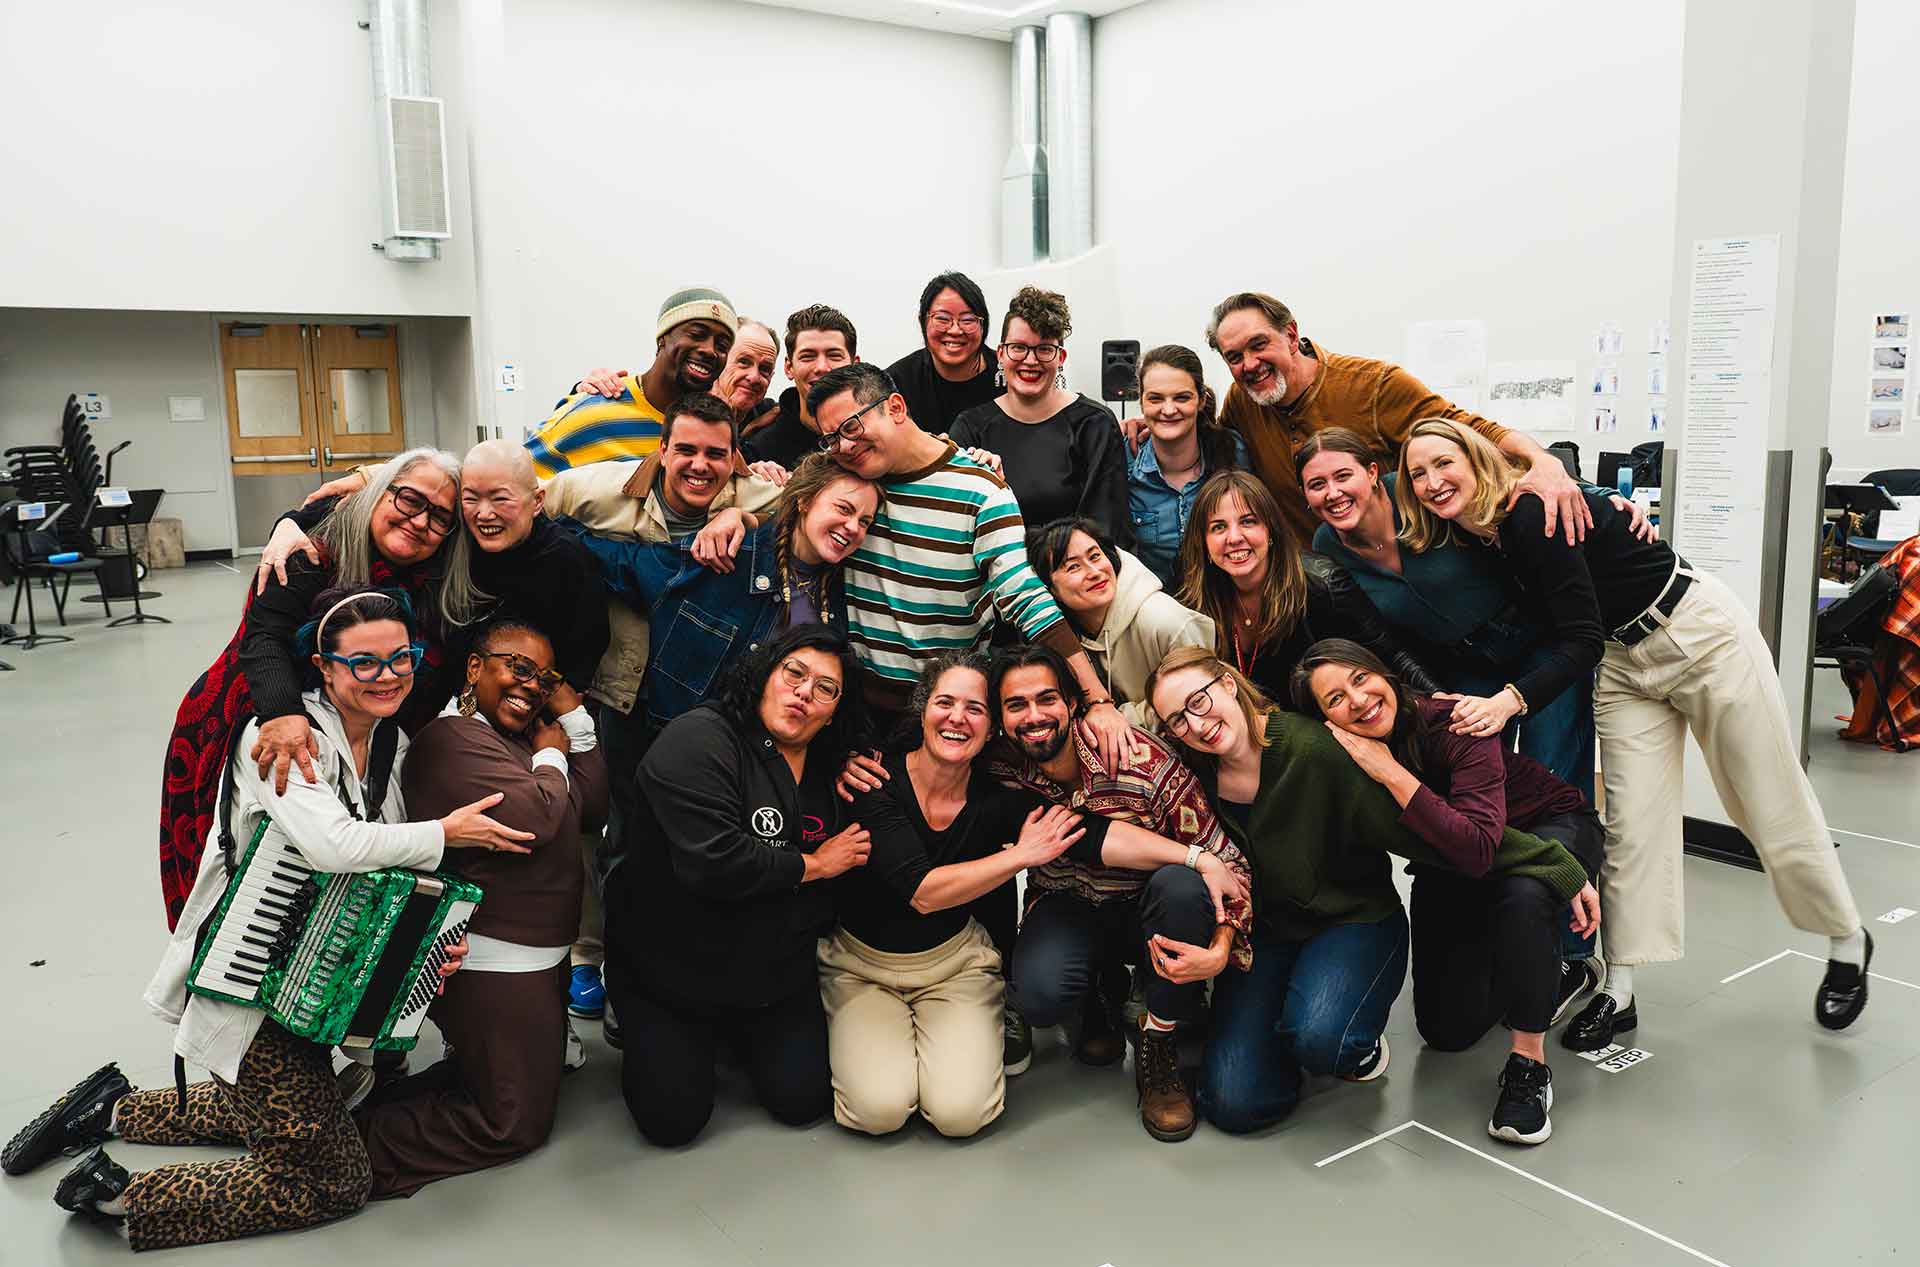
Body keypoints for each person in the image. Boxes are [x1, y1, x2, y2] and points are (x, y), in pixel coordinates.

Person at [4, 588, 530, 1250]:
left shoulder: (391, 747)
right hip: (251, 988)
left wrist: (425, 947)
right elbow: (333, 845)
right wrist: (445, 833)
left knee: (321, 1102)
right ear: (323, 665)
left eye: (401, 656)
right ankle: (118, 1195)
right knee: (332, 1180)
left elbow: (385, 884)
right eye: (364, 662)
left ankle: (108, 1107)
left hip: (313, 991)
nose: (389, 673)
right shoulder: (277, 736)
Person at [1395, 418, 1875, 1048]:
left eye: (1443, 463)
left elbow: (1577, 634)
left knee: (1763, 793)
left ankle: (1844, 936)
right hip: (1623, 662)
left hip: (1697, 632)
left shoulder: (1531, 510)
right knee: (1632, 823)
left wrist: (1509, 703)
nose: (1432, 482)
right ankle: (1620, 989)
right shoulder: (1473, 538)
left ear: (1476, 459)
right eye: (1418, 474)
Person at [1144, 646, 1592, 1139]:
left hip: (1350, 918)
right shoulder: (1194, 778)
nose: (1196, 723)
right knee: (1234, 1106)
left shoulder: (1317, 751)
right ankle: (1281, 1031)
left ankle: (1356, 1036)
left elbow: (1443, 838)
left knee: (1323, 1039)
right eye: (1178, 721)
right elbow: (1227, 873)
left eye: (1200, 701)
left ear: (1228, 685)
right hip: (1271, 934)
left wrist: (1557, 865)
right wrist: (1223, 947)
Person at [541, 390, 783, 1041]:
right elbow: (521, 502)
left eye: (715, 453)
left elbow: (818, 503)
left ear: (736, 459)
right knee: (628, 845)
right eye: (687, 450)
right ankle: (625, 976)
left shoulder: (757, 497)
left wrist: (742, 518)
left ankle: (715, 975)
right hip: (629, 699)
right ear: (662, 449)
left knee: (711, 843)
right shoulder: (600, 490)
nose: (700, 465)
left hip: (715, 708)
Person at [1293, 639, 1604, 1145]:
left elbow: (1481, 846)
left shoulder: (1457, 721)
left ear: (1383, 673)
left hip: (1547, 828)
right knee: (1447, 1032)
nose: (1358, 700)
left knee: (1524, 894)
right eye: (1334, 700)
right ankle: (1537, 962)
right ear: (1326, 721)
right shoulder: (1341, 752)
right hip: (1450, 856)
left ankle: (1529, 1065)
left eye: (1359, 678)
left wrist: (1387, 770)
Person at [158, 449, 481, 930]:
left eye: (439, 518)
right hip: (259, 706)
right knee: (238, 859)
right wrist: (282, 715)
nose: (419, 522)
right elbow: (263, 636)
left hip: (349, 720)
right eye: (410, 500)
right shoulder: (312, 549)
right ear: (380, 493)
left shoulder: (434, 579)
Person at [763, 362, 1142, 764]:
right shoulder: (849, 484)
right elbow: (782, 509)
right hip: (856, 715)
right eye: (832, 438)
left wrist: (1096, 698)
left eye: (851, 428)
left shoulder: (981, 491)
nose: (845, 446)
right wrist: (732, 516)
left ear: (894, 407)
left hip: (949, 714)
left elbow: (1024, 598)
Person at [357, 617, 607, 1195]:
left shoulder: (512, 735)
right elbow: (540, 821)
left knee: (510, 1082)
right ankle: (335, 1153)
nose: (530, 687)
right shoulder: (450, 740)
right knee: (513, 1123)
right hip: (495, 962)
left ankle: (339, 1117)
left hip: (537, 961)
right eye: (516, 668)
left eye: (543, 679)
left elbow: (589, 806)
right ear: (475, 667)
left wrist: (573, 723)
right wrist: (551, 757)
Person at [602, 626, 870, 1147]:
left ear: (835, 710)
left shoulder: (834, 759)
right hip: (669, 971)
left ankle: (735, 1034)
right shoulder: (699, 738)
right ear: (765, 674)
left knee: (803, 1101)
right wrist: (815, 865)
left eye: (825, 688)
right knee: (672, 1122)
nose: (804, 693)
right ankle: (663, 1030)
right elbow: (715, 863)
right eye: (794, 673)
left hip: (769, 974)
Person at [988, 644, 1253, 1142]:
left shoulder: (1140, 762)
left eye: (1047, 699)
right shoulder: (1000, 769)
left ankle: (1159, 1040)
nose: (1034, 716)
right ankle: (1096, 995)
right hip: (1066, 902)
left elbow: (1228, 864)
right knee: (1041, 995)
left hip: (1146, 910)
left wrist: (1220, 949)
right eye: (1016, 705)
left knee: (1183, 886)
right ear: (1000, 719)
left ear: (1072, 704)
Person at [827, 652, 1093, 1136]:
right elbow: (923, 893)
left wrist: (1196, 859)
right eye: (945, 702)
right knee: (878, 1111)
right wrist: (1020, 856)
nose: (957, 717)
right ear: (923, 711)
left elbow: (1093, 835)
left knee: (960, 1115)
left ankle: (970, 1023)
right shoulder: (872, 777)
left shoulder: (999, 795)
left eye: (975, 708)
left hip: (955, 965)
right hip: (862, 968)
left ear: (992, 729)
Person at [1200, 292, 1587, 547]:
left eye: (1258, 345)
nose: (1249, 364)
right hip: (1318, 583)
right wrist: (1150, 429)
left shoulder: (1374, 385)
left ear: (1290, 334)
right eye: (1234, 357)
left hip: (1408, 573)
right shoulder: (1244, 399)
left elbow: (1473, 431)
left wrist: (1544, 461)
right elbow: (1206, 442)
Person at [268, 439, 611, 700]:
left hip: (524, 702)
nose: (484, 513)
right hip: (437, 700)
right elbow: (350, 504)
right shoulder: (452, 531)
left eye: (501, 499)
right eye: (472, 498)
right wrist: (290, 522)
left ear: (536, 502)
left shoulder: (568, 561)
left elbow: (585, 652)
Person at [564, 452, 881, 728]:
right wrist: (543, 523)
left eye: (865, 521)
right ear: (805, 500)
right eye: (843, 509)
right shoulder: (727, 552)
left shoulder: (841, 589)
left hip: (759, 760)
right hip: (674, 744)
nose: (853, 527)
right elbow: (621, 564)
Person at [1178, 468, 1433, 705]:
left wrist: (1439, 698)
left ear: (1271, 531)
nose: (1234, 538)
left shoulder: (1324, 584)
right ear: (1204, 542)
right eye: (1218, 527)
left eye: (1248, 521)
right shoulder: (1194, 601)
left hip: (1330, 727)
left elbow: (1392, 657)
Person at [949, 286, 1131, 547]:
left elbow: (1107, 527)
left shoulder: (1094, 424)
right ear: (1001, 354)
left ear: (1061, 357)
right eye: (1019, 348)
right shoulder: (971, 428)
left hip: (1077, 575)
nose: (1031, 360)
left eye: (1044, 349)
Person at [524, 287, 737, 475]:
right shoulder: (592, 414)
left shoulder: (714, 436)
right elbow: (514, 486)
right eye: (697, 334)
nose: (710, 350)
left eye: (722, 345)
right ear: (663, 338)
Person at [1028, 516, 1214, 729]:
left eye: (1095, 556)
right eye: (1073, 567)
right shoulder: (1059, 637)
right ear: (1051, 590)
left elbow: (1202, 697)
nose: (1095, 572)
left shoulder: (1166, 621)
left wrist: (1118, 719)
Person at [1127, 344, 1248, 590]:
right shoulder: (1122, 457)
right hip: (1152, 611)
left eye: (1182, 397)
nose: (1168, 410)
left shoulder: (1232, 450)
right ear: (1141, 402)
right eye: (1155, 398)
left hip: (1225, 603)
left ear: (1201, 399)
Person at [577, 318, 782, 434]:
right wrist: (585, 388)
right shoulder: (675, 404)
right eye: (743, 362)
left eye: (764, 369)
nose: (754, 377)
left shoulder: (774, 419)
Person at [743, 304, 859, 469]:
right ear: (789, 368)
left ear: (855, 365)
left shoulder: (877, 437)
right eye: (808, 356)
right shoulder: (760, 452)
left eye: (834, 355)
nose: (822, 367)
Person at [885, 271, 1001, 435]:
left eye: (967, 320)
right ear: (923, 321)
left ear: (983, 325)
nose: (955, 330)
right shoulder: (896, 381)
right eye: (942, 319)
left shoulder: (1008, 374)